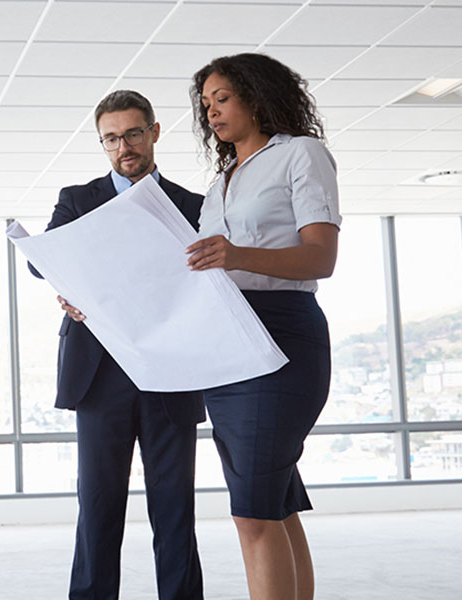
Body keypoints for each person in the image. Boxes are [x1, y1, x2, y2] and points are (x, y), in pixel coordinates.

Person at [29, 90, 206, 600]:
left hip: (170, 370)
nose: (123, 146)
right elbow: (42, 261)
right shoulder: (77, 199)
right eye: (111, 138)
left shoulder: (192, 205)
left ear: (153, 132)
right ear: (102, 143)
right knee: (99, 505)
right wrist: (72, 286)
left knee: (174, 507)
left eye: (132, 133)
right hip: (100, 375)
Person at [186, 53, 341, 600]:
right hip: (227, 347)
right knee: (272, 505)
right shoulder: (219, 183)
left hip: (282, 339)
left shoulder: (301, 154)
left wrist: (236, 255)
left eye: (222, 97)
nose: (211, 111)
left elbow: (320, 258)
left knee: (252, 513)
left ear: (256, 95)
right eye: (206, 103)